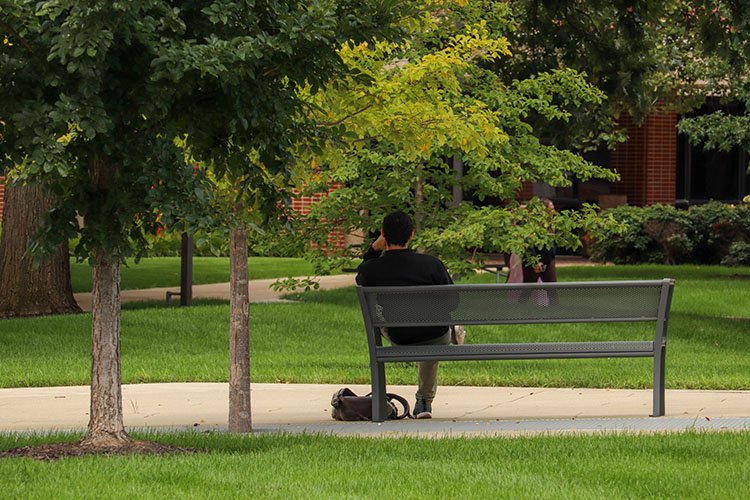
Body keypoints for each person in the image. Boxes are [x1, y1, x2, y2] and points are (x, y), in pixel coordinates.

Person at [356, 211, 454, 419]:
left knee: (393, 324)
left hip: (398, 335)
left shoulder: (373, 270)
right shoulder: (432, 264)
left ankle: (412, 400)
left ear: (383, 234)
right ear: (411, 235)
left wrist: (373, 249)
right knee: (433, 333)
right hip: (434, 335)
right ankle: (424, 401)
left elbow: (360, 274)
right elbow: (453, 301)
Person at [520, 198, 559, 305]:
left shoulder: (553, 225)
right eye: (551, 209)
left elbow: (554, 244)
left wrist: (549, 259)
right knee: (528, 287)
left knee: (552, 288)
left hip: (548, 259)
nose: (553, 211)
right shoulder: (531, 225)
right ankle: (520, 310)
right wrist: (535, 261)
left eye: (553, 208)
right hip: (532, 260)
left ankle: (556, 311)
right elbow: (528, 245)